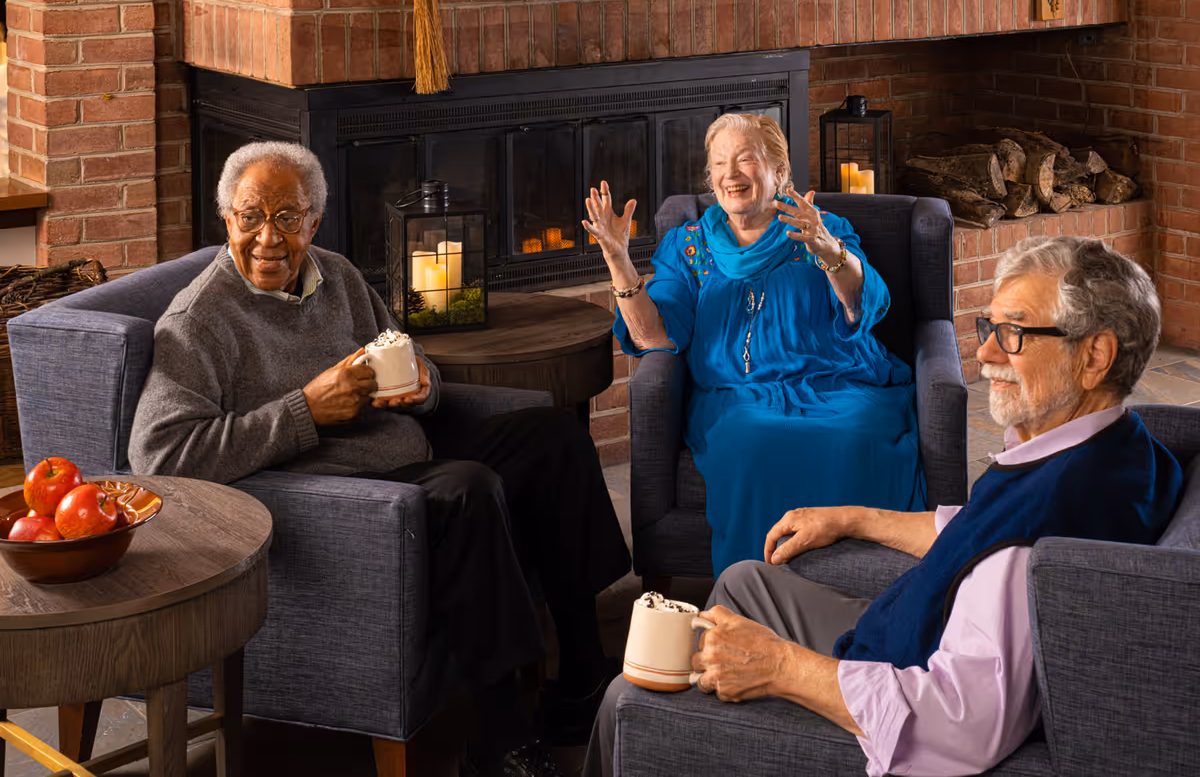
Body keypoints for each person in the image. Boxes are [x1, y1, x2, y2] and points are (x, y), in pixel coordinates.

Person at [585, 235, 1184, 777]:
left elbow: (961, 724)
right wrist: (854, 517)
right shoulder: (1116, 449)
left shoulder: (1040, 527)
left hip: (901, 706)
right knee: (746, 581)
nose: (985, 357)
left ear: (1095, 356)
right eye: (989, 327)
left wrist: (778, 668)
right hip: (910, 635)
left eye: (1015, 333)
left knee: (625, 701)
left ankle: (686, 735)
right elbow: (979, 532)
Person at [128, 142, 631, 776]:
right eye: (250, 216)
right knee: (469, 488)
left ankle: (584, 682)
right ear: (226, 219)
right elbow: (159, 454)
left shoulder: (337, 276)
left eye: (288, 217)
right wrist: (304, 411)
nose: (267, 237)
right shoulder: (199, 321)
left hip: (401, 446)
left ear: (314, 222)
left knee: (554, 436)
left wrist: (425, 387)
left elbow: (405, 355)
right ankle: (500, 742)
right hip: (341, 491)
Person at [586, 113, 925, 576]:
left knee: (858, 436)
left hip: (837, 383)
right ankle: (763, 598)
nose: (730, 174)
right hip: (737, 398)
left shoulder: (818, 228)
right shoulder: (690, 247)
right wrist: (618, 259)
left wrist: (829, 251)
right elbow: (654, 337)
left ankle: (865, 588)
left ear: (780, 172)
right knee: (753, 440)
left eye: (746, 159)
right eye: (720, 163)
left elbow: (863, 305)